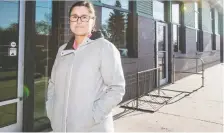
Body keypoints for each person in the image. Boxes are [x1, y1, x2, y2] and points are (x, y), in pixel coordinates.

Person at [45, 1, 125, 132]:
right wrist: (52, 111)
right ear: (69, 20)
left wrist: (93, 116)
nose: (79, 21)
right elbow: (52, 84)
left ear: (93, 21)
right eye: (74, 16)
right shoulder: (62, 50)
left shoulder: (105, 48)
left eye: (84, 17)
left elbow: (117, 88)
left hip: (92, 128)